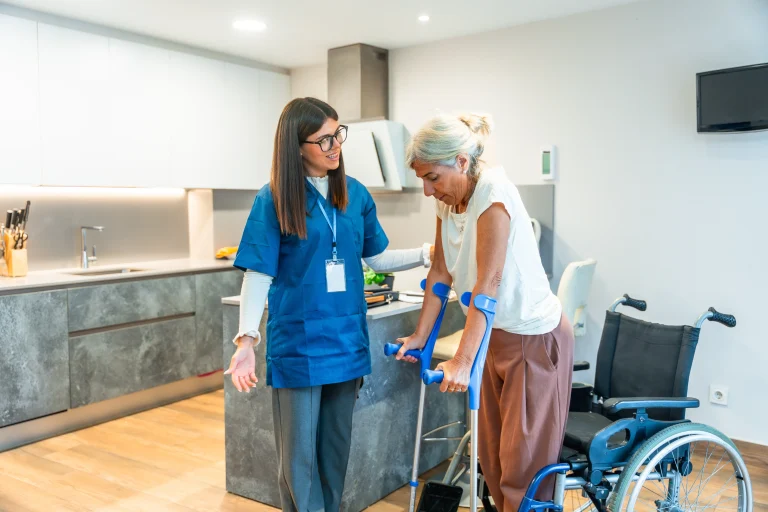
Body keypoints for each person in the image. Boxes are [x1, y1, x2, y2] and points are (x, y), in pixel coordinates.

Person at [224, 97, 433, 512]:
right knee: (298, 462)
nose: (335, 145)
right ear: (295, 145)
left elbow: (375, 258)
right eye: (323, 139)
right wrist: (246, 342)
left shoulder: (354, 194)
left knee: (335, 454)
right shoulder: (274, 199)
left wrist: (428, 253)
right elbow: (259, 274)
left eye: (338, 134)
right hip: (299, 346)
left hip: (346, 342)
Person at [395, 112, 574, 511]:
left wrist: (461, 360)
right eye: (422, 179)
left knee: (522, 470)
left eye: (432, 178)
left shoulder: (493, 194)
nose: (427, 191)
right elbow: (440, 273)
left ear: (460, 161)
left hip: (532, 339)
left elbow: (487, 286)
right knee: (491, 460)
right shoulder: (449, 200)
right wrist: (419, 338)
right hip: (492, 334)